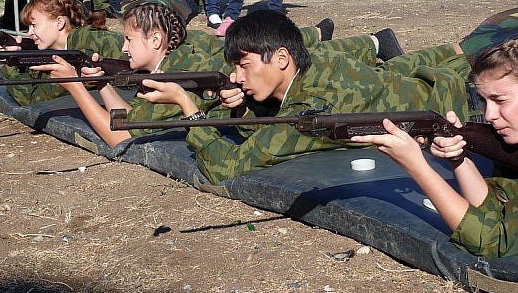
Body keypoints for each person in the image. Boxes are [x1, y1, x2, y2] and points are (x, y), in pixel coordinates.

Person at [31, 0, 392, 147]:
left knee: (331, 63)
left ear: (156, 40)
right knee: (310, 53)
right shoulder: (176, 56)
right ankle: (329, 35)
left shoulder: (178, 74)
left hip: (263, 65)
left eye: (129, 39)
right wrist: (101, 85)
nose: (122, 47)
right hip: (256, 62)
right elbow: (125, 117)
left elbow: (118, 135)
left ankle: (375, 43)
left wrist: (76, 87)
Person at [140, 10, 474, 184]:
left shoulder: (309, 111)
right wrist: (242, 109)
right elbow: (268, 129)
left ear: (282, 58)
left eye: (244, 65)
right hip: (436, 85)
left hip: (462, 111)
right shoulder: (313, 64)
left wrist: (188, 107)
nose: (237, 77)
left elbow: (226, 167)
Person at [352, 37, 518, 258]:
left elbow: (493, 239)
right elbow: (493, 210)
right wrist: (458, 158)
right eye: (484, 101)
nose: (489, 115)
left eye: (500, 100)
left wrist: (417, 167)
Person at [0, 0, 125, 106]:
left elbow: (32, 98)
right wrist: (12, 56)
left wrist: (8, 64)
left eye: (34, 25)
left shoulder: (94, 46)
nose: (29, 33)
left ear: (59, 22)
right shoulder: (71, 47)